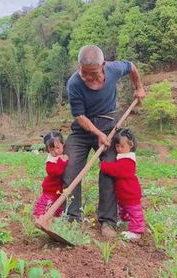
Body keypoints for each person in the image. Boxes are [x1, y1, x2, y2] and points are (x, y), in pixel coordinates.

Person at [63, 45, 146, 237]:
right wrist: (97, 133)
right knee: (70, 168)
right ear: (79, 67)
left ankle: (108, 221)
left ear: (103, 66)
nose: (88, 78)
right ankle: (71, 218)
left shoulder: (114, 69)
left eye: (93, 74)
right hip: (83, 129)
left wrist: (138, 87)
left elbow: (132, 67)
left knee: (110, 169)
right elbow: (79, 115)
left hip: (109, 126)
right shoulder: (74, 83)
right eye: (84, 73)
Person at [99, 128, 145, 240]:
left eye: (122, 146)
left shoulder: (129, 159)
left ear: (131, 145)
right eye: (117, 146)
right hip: (123, 192)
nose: (119, 149)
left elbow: (118, 170)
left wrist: (104, 166)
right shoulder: (122, 156)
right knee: (124, 209)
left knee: (134, 212)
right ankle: (125, 222)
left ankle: (136, 231)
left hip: (130, 192)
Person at [33, 131, 68, 219]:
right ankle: (39, 217)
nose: (56, 151)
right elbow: (56, 172)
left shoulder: (65, 154)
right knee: (45, 205)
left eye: (58, 147)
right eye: (52, 150)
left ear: (63, 144)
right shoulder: (50, 161)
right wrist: (62, 161)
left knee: (58, 207)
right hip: (51, 190)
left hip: (60, 190)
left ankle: (56, 217)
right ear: (48, 150)